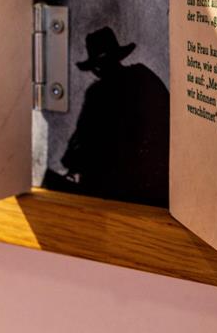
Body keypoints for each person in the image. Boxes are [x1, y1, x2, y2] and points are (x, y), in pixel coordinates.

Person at [57, 26, 169, 206]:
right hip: (129, 183)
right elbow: (82, 136)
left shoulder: (130, 82)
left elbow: (82, 138)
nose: (100, 69)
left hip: (129, 183)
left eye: (103, 62)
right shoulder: (135, 79)